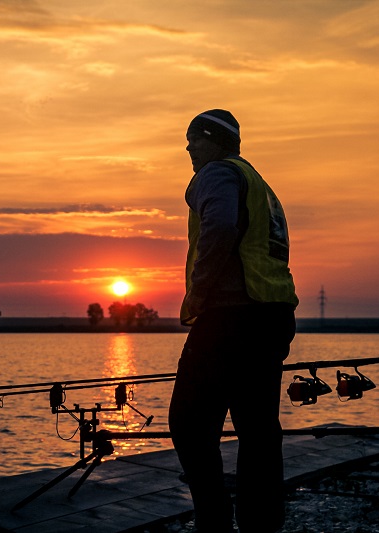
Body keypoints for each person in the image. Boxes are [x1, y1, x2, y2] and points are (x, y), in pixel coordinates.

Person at [168, 109, 299, 533]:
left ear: (212, 140)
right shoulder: (259, 185)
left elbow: (220, 227)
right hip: (273, 315)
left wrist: (199, 293)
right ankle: (261, 525)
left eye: (193, 139)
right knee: (258, 429)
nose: (188, 148)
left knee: (188, 423)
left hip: (230, 318)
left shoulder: (217, 173)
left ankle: (214, 524)